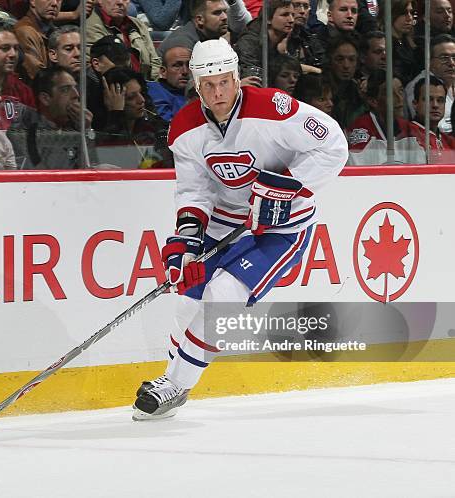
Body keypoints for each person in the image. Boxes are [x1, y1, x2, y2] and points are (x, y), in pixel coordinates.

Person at [132, 38, 347, 420]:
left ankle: (177, 384)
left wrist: (287, 185)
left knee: (222, 295)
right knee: (187, 302)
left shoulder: (273, 108)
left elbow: (333, 145)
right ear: (196, 86)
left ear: (237, 78)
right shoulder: (184, 128)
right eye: (209, 84)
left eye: (225, 82)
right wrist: (185, 242)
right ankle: (171, 381)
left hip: (280, 229)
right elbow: (194, 189)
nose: (219, 92)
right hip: (224, 222)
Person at [7, 66, 94, 169]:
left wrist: (86, 130)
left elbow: (90, 168)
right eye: (65, 89)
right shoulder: (24, 132)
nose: (76, 94)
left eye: (75, 88)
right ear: (45, 99)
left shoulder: (74, 128)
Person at [97, 66, 173, 168]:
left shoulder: (153, 127)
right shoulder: (100, 131)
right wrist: (116, 113)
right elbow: (119, 158)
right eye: (131, 97)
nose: (141, 100)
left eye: (141, 93)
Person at [85, 0, 160, 81]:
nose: (120, 2)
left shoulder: (137, 24)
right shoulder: (90, 26)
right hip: (112, 87)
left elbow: (155, 61)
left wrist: (153, 86)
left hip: (145, 85)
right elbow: (94, 67)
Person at [405, 75, 455, 162]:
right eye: (429, 99)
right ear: (415, 104)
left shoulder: (450, 141)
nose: (435, 105)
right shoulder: (406, 134)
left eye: (440, 100)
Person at [14, 0, 62, 81]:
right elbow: (40, 76)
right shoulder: (24, 32)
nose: (54, 3)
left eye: (58, 0)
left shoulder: (55, 31)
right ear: (32, 1)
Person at [147, 46, 190, 122]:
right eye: (177, 65)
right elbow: (169, 125)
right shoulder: (155, 91)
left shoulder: (200, 92)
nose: (185, 71)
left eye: (189, 65)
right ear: (163, 72)